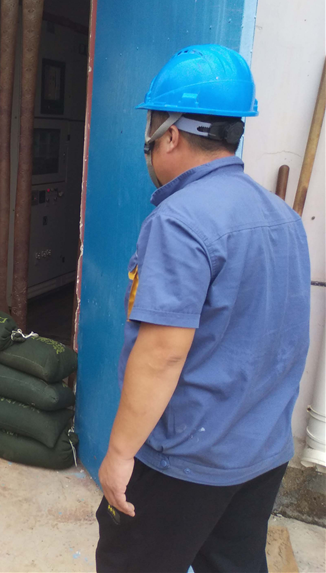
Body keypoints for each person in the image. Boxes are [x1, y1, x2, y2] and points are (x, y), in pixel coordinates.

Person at [95, 44, 311, 572]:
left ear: (170, 134)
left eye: (151, 128)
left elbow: (162, 354)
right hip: (260, 452)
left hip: (185, 460)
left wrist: (120, 454)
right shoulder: (282, 217)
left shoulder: (179, 222)